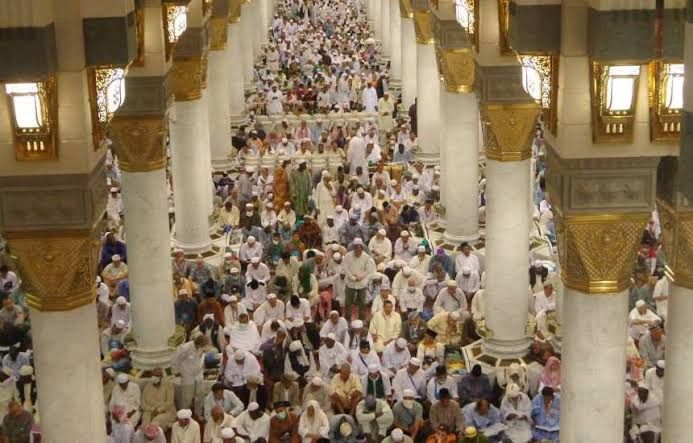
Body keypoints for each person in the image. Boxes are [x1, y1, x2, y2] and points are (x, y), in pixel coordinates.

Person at [172, 335, 210, 411]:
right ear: (199, 344)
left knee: (200, 395)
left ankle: (198, 413)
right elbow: (175, 360)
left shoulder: (200, 348)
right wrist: (176, 371)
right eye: (205, 345)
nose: (206, 347)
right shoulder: (185, 348)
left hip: (198, 374)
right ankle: (185, 414)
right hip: (187, 374)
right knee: (187, 398)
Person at [343, 238, 376, 320]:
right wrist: (352, 277)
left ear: (362, 248)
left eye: (359, 250)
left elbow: (368, 270)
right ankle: (347, 319)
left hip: (362, 283)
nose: (358, 252)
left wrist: (361, 276)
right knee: (348, 302)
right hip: (350, 283)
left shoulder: (366, 257)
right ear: (353, 248)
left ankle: (362, 319)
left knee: (362, 303)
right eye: (356, 250)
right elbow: (346, 269)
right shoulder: (347, 256)